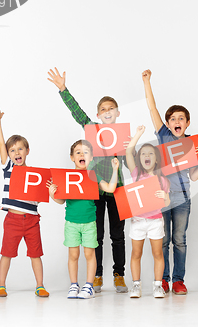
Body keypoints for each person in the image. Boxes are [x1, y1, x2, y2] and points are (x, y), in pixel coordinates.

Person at [47, 68, 128, 293]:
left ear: (118, 113)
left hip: (117, 189)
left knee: (118, 235)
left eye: (111, 109)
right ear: (98, 114)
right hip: (93, 190)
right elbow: (77, 113)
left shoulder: (123, 136)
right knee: (97, 235)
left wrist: (130, 148)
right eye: (103, 109)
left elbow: (132, 163)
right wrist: (63, 89)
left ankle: (119, 274)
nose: (107, 112)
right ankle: (98, 275)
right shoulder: (92, 129)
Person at [141, 69, 198, 295]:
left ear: (187, 123)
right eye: (173, 119)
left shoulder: (191, 143)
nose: (176, 121)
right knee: (162, 240)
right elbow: (152, 108)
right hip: (160, 197)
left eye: (181, 118)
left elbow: (193, 177)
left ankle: (178, 280)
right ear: (168, 124)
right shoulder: (164, 136)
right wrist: (147, 82)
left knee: (179, 240)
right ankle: (163, 279)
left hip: (182, 198)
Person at [47, 140, 120, 299]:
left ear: (92, 157)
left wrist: (115, 170)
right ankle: (73, 285)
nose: (82, 155)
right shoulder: (67, 177)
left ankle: (89, 285)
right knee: (73, 255)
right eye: (78, 152)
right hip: (71, 223)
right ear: (72, 157)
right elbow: (61, 200)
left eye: (85, 152)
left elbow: (110, 188)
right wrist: (53, 194)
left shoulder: (94, 175)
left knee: (89, 254)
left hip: (89, 223)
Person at [0, 102, 49, 298]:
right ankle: (1, 285)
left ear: (27, 150)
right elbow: (1, 143)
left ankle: (40, 285)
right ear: (9, 155)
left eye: (20, 149)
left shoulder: (36, 175)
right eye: (13, 150)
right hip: (13, 220)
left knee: (36, 254)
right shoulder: (9, 168)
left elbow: (41, 197)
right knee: (7, 253)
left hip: (32, 220)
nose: (16, 153)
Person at [125, 125, 171, 298]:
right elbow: (129, 152)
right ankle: (136, 286)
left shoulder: (162, 179)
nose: (146, 156)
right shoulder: (136, 173)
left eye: (150, 153)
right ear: (140, 159)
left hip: (155, 221)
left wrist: (164, 196)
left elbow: (167, 201)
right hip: (137, 221)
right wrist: (138, 134)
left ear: (156, 159)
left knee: (158, 253)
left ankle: (158, 285)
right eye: (143, 153)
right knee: (136, 253)